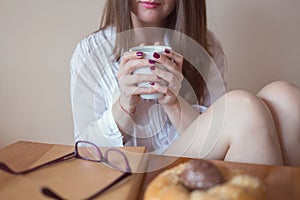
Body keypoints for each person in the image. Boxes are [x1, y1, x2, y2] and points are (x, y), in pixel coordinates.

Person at [70, 0, 300, 166]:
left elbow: (220, 138)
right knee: (242, 108)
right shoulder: (91, 52)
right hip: (133, 172)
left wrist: (173, 102)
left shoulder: (205, 47)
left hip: (193, 165)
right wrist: (124, 105)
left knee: (286, 97)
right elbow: (85, 151)